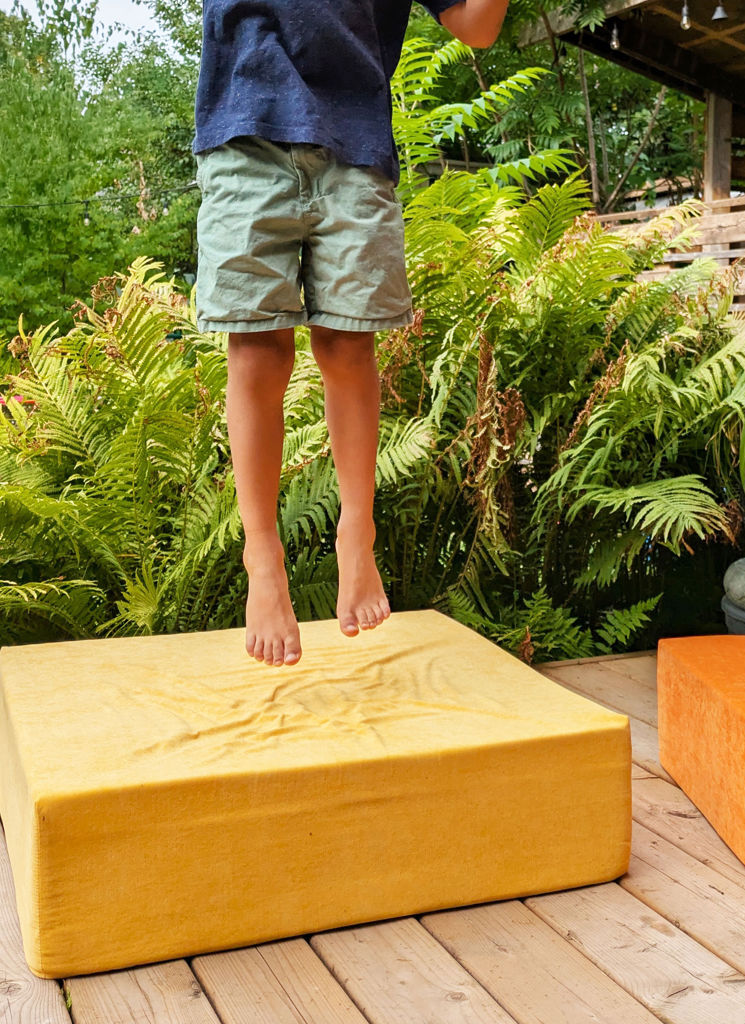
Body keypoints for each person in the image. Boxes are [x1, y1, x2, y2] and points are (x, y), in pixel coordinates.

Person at [193, 1, 509, 666]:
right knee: (256, 349)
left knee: (347, 343)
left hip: (355, 141)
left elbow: (477, 25)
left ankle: (357, 533)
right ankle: (262, 556)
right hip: (245, 128)